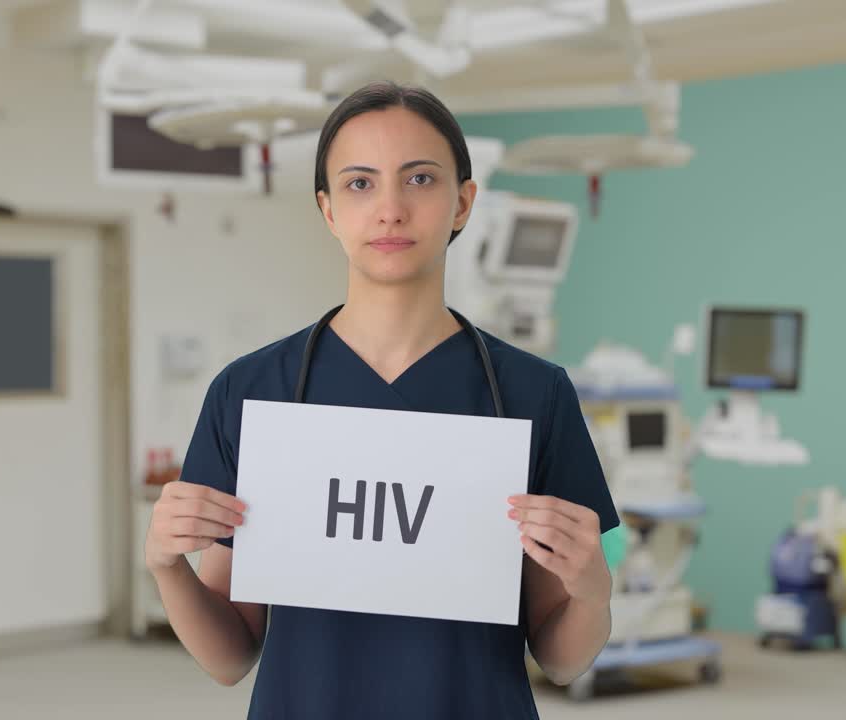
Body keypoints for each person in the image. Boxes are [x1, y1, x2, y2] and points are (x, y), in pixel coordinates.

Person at [144, 80, 620, 720]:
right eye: (360, 183)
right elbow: (230, 657)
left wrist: (593, 594)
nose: (390, 208)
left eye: (420, 179)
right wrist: (168, 568)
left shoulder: (534, 395)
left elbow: (560, 659)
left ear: (462, 203)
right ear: (329, 209)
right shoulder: (253, 393)